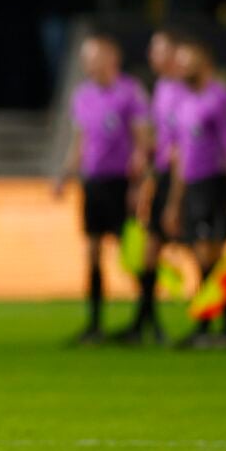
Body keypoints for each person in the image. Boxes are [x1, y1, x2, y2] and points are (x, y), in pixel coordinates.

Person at [54, 33, 149, 345]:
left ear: (112, 59)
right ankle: (95, 324)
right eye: (85, 59)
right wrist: (65, 175)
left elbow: (141, 140)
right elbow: (81, 141)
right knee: (93, 251)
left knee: (132, 252)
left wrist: (139, 182)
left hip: (121, 182)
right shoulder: (82, 95)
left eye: (93, 58)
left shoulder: (130, 92)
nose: (88, 64)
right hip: (93, 182)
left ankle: (146, 319)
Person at [118, 29, 187, 344]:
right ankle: (146, 322)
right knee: (150, 249)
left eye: (157, 50)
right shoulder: (160, 88)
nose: (151, 56)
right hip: (162, 176)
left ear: (175, 54)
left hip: (192, 177)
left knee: (205, 250)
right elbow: (159, 136)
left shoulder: (193, 90)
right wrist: (144, 163)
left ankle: (212, 325)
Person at [163, 39, 226, 349]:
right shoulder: (184, 103)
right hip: (192, 186)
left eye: (189, 61)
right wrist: (175, 201)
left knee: (211, 254)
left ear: (205, 64)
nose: (183, 67)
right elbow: (180, 156)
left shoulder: (219, 98)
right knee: (203, 255)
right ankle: (209, 324)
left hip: (215, 183)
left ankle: (209, 324)